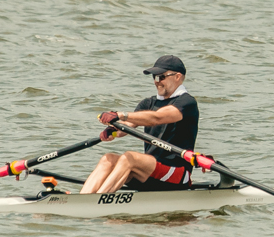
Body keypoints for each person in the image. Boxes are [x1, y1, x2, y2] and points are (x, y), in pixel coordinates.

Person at [80, 55, 199, 194]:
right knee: (108, 159)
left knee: (129, 158)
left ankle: (98, 201)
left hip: (177, 174)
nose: (157, 82)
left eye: (162, 77)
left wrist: (120, 114)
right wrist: (112, 131)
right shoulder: (148, 103)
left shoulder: (187, 103)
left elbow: (157, 118)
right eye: (155, 77)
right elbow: (126, 127)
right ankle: (83, 199)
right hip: (150, 171)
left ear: (178, 77)